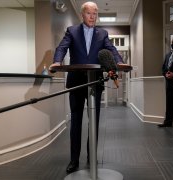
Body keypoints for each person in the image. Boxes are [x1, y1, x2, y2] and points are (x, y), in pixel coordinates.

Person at [50, 1, 123, 174]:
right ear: (82, 15)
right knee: (76, 122)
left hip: (94, 83)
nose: (92, 16)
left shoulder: (102, 33)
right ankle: (74, 160)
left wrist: (119, 61)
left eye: (95, 14)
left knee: (94, 121)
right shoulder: (72, 31)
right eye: (89, 13)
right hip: (76, 82)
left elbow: (111, 49)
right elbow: (62, 47)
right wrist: (57, 60)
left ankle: (92, 157)